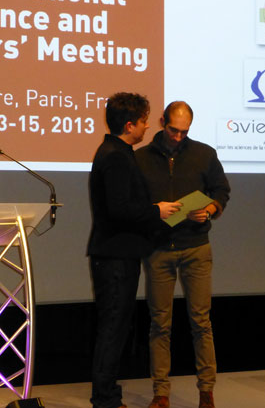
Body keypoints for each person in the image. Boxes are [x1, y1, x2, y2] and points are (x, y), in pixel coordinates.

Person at [87, 92, 181, 408]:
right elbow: (119, 209)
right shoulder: (115, 155)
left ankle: (107, 395)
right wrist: (157, 211)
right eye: (143, 121)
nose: (146, 127)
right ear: (129, 125)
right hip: (115, 256)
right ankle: (105, 399)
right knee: (113, 328)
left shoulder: (118, 151)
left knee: (115, 327)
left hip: (119, 254)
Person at [135, 101, 230, 408]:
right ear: (162, 122)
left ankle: (206, 391)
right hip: (159, 249)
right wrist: (155, 211)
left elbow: (221, 190)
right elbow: (134, 203)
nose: (177, 136)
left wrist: (210, 209)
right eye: (173, 130)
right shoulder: (141, 158)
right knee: (160, 324)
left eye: (184, 132)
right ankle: (161, 392)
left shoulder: (204, 154)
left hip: (196, 247)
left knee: (201, 321)